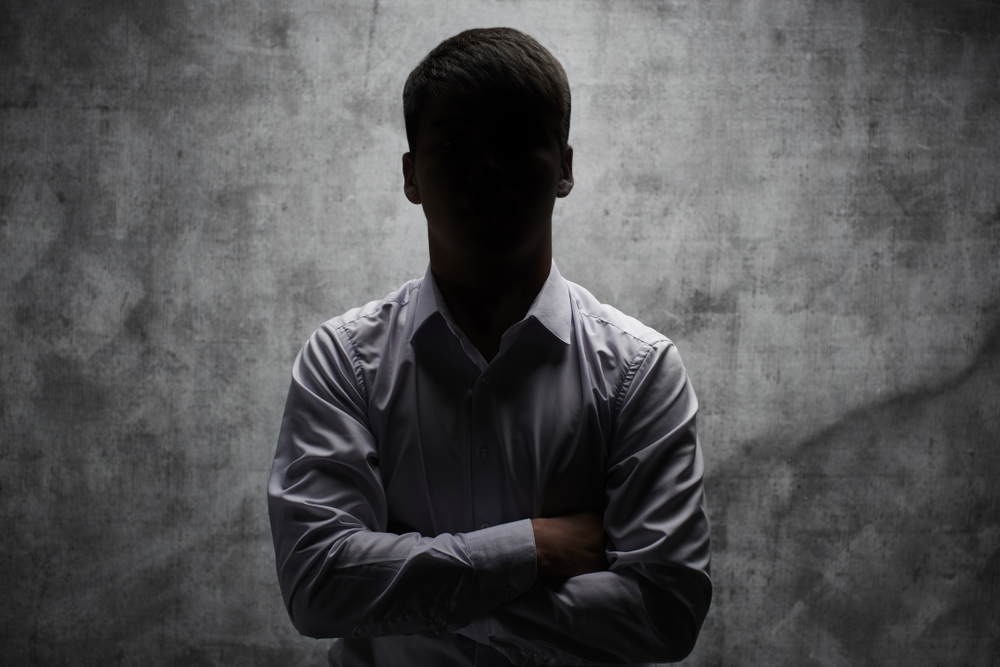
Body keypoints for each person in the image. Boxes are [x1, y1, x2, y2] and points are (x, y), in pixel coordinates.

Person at [268, 27, 711, 667]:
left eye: (514, 139)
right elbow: (317, 585)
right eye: (452, 143)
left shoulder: (640, 372)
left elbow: (665, 614)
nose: (486, 167)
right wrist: (535, 548)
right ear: (410, 174)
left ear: (563, 166)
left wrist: (416, 595)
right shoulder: (343, 362)